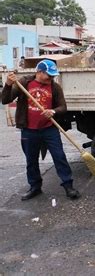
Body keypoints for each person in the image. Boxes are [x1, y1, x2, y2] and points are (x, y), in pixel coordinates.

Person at [1, 59, 80, 201]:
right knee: (31, 160)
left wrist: (53, 112)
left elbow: (63, 107)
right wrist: (8, 84)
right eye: (49, 75)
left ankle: (68, 186)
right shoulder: (24, 83)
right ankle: (35, 187)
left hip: (49, 129)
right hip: (29, 130)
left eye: (53, 75)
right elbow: (5, 100)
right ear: (39, 72)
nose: (51, 78)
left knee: (59, 157)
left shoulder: (55, 87)